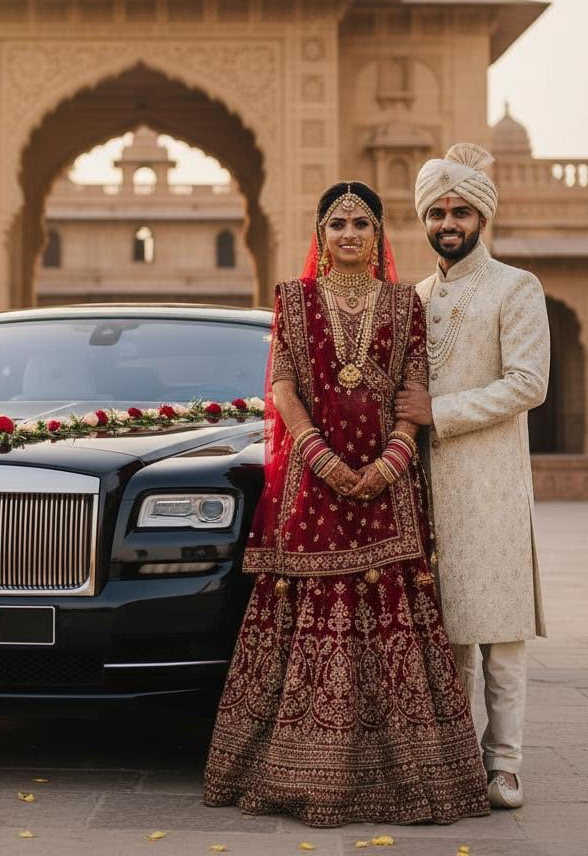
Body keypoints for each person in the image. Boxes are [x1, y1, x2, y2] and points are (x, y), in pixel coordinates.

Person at [204, 181, 489, 827]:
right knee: (310, 612)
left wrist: (394, 456)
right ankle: (297, 772)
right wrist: (321, 456)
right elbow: (281, 386)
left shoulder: (404, 303)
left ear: (380, 233)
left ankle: (404, 773)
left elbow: (415, 384)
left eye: (362, 222)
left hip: (389, 489)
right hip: (314, 485)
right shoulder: (295, 300)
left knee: (390, 615)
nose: (351, 233)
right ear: (321, 235)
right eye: (338, 224)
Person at [395, 143, 549, 811]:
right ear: (424, 219)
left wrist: (440, 412)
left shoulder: (516, 287)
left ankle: (505, 764)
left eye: (460, 210)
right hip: (427, 485)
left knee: (501, 635)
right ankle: (460, 763)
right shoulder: (415, 297)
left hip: (489, 484)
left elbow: (528, 383)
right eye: (437, 212)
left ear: (480, 217)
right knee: (448, 633)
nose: (448, 222)